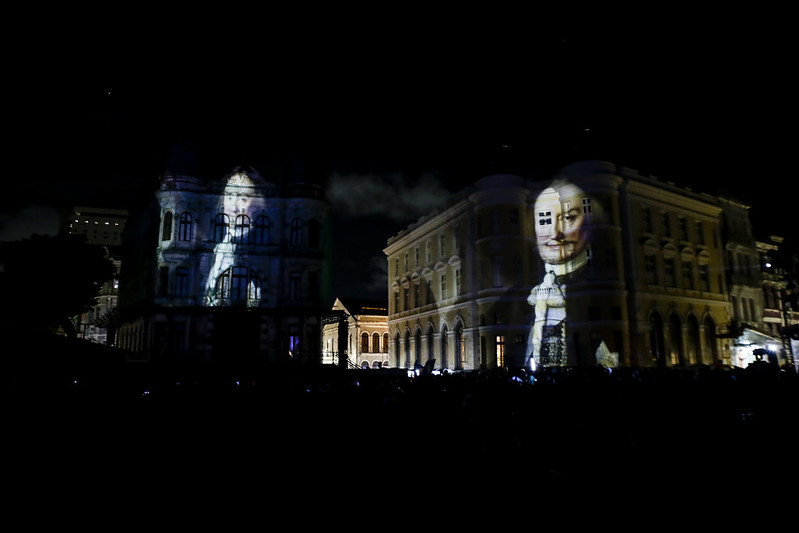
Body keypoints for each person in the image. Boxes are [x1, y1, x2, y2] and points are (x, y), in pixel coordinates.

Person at [527, 180, 593, 370]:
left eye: (568, 218)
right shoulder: (537, 287)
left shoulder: (582, 284)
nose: (555, 233)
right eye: (545, 219)